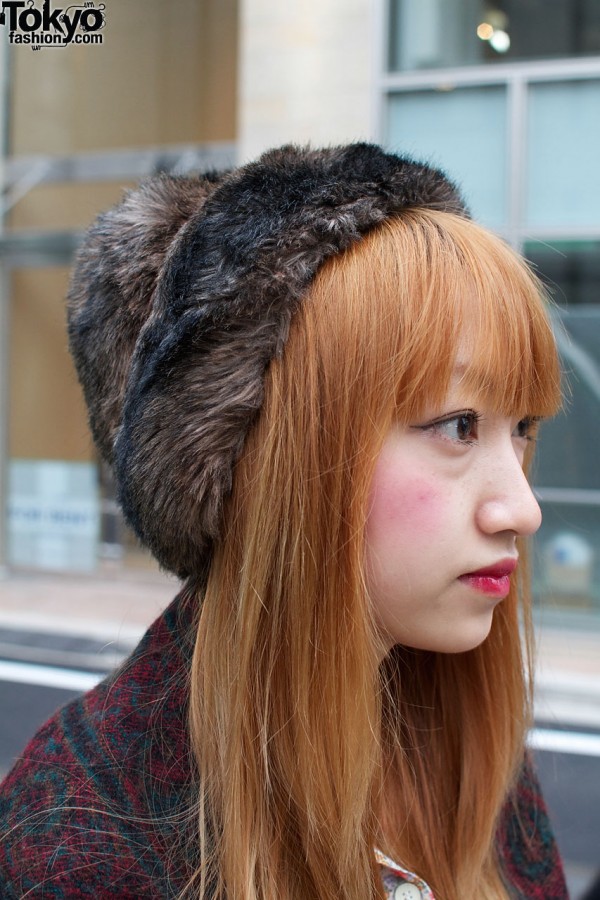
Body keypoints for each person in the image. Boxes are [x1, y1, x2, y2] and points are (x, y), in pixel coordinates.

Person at [0, 144, 568, 899]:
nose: (521, 509)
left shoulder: (468, 753)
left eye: (521, 426)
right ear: (282, 462)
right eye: (459, 424)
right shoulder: (79, 842)